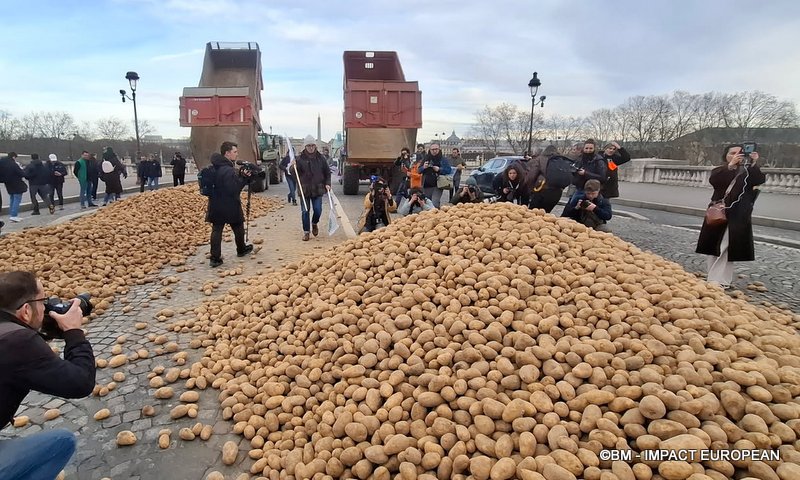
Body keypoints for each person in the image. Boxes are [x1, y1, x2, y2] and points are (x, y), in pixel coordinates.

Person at [0, 271, 96, 479]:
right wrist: (73, 332)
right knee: (61, 442)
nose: (46, 307)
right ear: (26, 311)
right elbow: (81, 383)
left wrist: (45, 329)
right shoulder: (17, 342)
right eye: (43, 301)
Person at [696, 145, 766, 289]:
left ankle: (718, 281)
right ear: (726, 155)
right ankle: (716, 279)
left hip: (738, 214)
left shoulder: (747, 171)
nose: (736, 155)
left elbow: (759, 180)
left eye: (739, 153)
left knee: (727, 247)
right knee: (713, 247)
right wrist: (730, 166)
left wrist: (753, 163)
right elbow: (715, 181)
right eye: (732, 153)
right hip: (718, 212)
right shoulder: (720, 170)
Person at [206, 141, 254, 267]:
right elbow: (233, 189)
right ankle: (241, 249)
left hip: (215, 203)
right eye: (235, 152)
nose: (237, 155)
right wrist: (244, 179)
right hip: (229, 203)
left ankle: (215, 258)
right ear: (227, 153)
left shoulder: (215, 166)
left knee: (217, 229)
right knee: (238, 226)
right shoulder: (227, 169)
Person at [291, 135, 331, 241]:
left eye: (313, 145)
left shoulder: (321, 158)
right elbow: (294, 174)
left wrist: (327, 183)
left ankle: (314, 223)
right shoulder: (299, 159)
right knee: (305, 211)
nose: (311, 148)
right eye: (309, 146)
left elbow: (327, 172)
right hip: (304, 189)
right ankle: (306, 232)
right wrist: (292, 166)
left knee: (318, 210)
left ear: (315, 146)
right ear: (305, 146)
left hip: (318, 189)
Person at [528, 145, 569, 213]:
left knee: (533, 213)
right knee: (546, 214)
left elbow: (531, 176)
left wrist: (531, 189)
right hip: (557, 192)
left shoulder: (540, 159)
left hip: (542, 189)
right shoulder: (561, 160)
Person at [418, 143, 452, 208]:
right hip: (426, 184)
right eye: (432, 149)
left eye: (436, 149)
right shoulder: (426, 158)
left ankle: (436, 215)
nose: (434, 151)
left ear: (439, 149)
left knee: (434, 203)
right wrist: (424, 167)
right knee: (427, 203)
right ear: (430, 150)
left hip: (438, 184)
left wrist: (439, 169)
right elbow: (419, 170)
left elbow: (449, 170)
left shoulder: (443, 159)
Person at [0, 152, 28, 221]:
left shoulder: (2, 162)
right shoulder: (13, 164)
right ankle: (14, 215)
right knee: (17, 199)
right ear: (13, 157)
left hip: (7, 183)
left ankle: (12, 215)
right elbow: (21, 173)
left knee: (12, 198)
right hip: (16, 183)